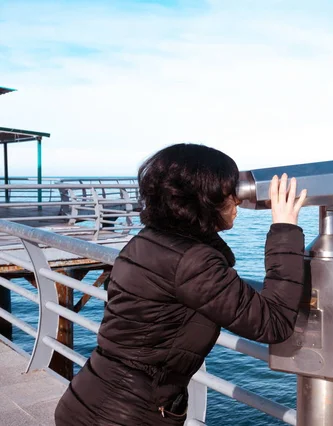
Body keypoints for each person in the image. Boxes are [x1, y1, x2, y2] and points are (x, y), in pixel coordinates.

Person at [54, 143, 308, 425]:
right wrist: (285, 229)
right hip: (126, 415)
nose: (236, 200)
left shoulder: (146, 241)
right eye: (228, 191)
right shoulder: (192, 262)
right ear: (202, 198)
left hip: (88, 398)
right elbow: (273, 322)